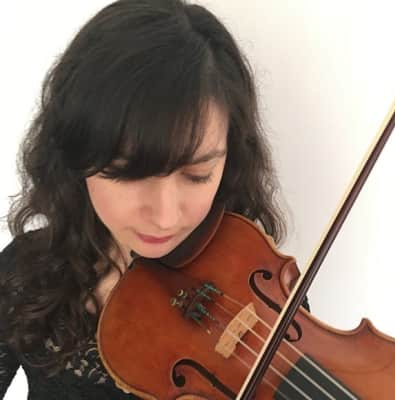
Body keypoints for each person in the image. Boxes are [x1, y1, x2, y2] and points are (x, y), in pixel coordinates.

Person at [0, 0, 288, 398]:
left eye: (198, 175)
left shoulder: (265, 299)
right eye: (129, 174)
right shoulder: (26, 274)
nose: (166, 217)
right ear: (76, 153)